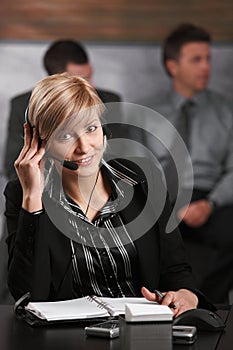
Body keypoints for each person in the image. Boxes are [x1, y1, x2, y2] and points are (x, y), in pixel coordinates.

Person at [4, 73, 213, 316]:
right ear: (41, 142)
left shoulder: (143, 180)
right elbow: (29, 295)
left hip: (141, 331)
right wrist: (33, 198)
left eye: (91, 128)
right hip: (68, 339)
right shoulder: (24, 195)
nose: (84, 147)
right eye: (65, 136)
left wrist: (186, 295)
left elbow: (176, 270)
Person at [145, 23, 233, 304]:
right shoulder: (145, 113)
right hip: (162, 199)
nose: (206, 67)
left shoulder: (226, 111)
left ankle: (212, 307)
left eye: (208, 58)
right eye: (196, 59)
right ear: (173, 66)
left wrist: (209, 204)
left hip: (210, 197)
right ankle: (157, 305)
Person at [4, 39, 121, 180]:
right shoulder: (23, 106)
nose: (91, 86)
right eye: (81, 79)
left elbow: (118, 157)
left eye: (90, 76)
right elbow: (13, 168)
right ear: (55, 79)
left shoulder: (109, 101)